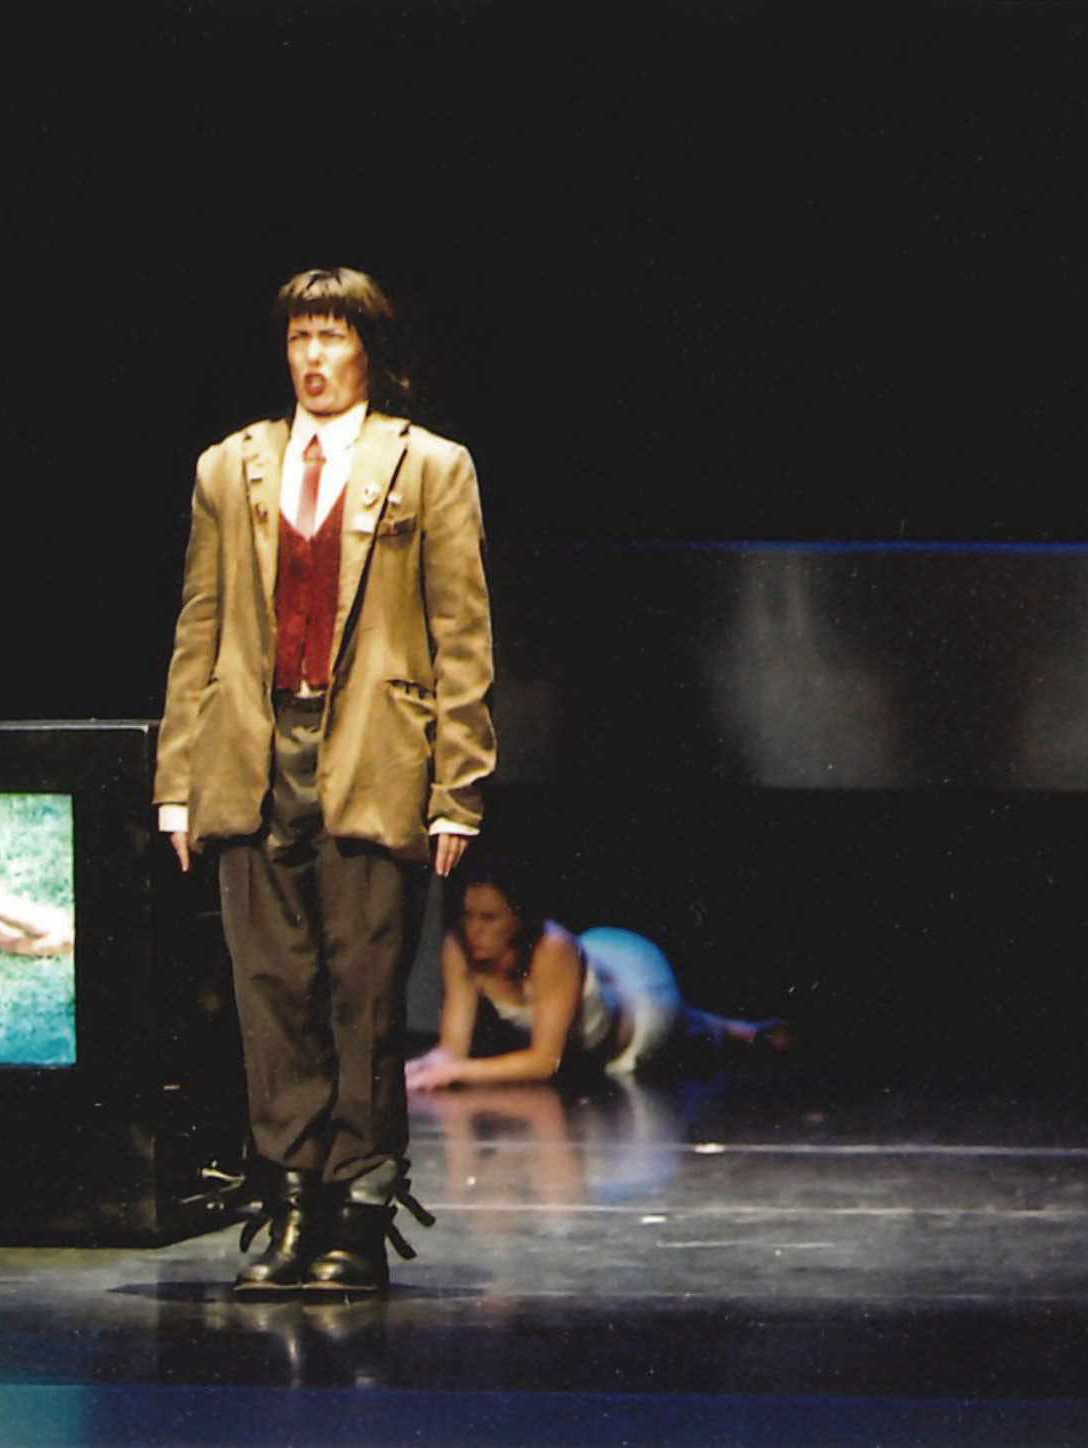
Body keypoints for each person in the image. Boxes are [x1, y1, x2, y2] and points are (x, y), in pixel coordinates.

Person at [155, 267, 496, 1296]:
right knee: (271, 993)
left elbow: (461, 636)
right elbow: (200, 625)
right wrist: (177, 779)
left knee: (363, 994)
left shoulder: (428, 466)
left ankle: (358, 1210)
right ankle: (293, 1203)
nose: (313, 357)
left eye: (332, 337)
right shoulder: (231, 468)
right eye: (300, 337)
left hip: (373, 756)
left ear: (369, 352)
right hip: (252, 752)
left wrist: (458, 786)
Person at [405, 856, 789, 1091]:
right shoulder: (459, 947)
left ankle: (735, 1032)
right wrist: (416, 1071)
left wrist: (459, 1072)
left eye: (489, 918)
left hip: (640, 1010)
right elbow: (451, 1050)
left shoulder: (550, 949)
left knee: (680, 1030)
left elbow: (544, 1061)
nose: (474, 929)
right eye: (468, 915)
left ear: (520, 920)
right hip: (599, 1002)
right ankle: (740, 1028)